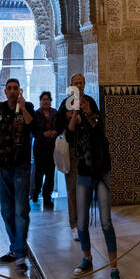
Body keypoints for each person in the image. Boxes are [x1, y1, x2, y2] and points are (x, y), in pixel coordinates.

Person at [66, 90, 121, 279]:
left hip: (101, 176)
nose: (83, 105)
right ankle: (86, 257)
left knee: (106, 222)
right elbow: (69, 132)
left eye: (86, 103)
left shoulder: (97, 119)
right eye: (81, 103)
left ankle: (114, 269)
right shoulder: (78, 123)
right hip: (83, 176)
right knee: (81, 223)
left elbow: (98, 132)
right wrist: (74, 114)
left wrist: (89, 112)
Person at [0, 79, 34, 276]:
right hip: (3, 166)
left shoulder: (27, 106)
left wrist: (22, 108)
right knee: (6, 210)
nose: (13, 91)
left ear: (20, 90)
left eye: (16, 88)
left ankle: (20, 254)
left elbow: (32, 126)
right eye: (10, 89)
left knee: (21, 210)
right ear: (5, 91)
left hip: (21, 165)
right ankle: (16, 247)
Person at [58, 72, 85, 242]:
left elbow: (96, 121)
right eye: (75, 83)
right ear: (71, 85)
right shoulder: (67, 103)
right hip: (72, 151)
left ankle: (83, 223)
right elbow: (60, 124)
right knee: (72, 189)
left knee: (85, 188)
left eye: (81, 83)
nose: (79, 85)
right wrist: (70, 117)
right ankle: (74, 224)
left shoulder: (88, 101)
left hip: (86, 152)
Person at [30, 90, 57, 210]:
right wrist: (43, 134)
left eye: (48, 99)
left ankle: (47, 196)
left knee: (50, 173)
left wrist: (54, 132)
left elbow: (59, 126)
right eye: (44, 99)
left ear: (50, 101)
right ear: (40, 101)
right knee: (39, 172)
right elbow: (34, 131)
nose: (46, 101)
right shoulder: (36, 114)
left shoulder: (55, 113)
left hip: (51, 147)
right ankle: (35, 192)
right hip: (40, 147)